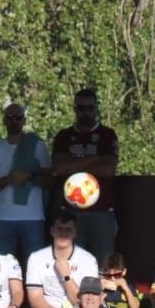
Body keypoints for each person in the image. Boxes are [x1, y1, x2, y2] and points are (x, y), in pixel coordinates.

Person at [52, 88, 120, 261]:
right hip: (70, 212)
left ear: (96, 109)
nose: (85, 113)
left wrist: (73, 163)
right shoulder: (64, 136)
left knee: (104, 263)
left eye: (89, 108)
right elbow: (60, 168)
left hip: (102, 211)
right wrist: (94, 159)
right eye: (81, 108)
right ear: (75, 109)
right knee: (71, 262)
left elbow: (108, 170)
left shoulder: (107, 135)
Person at [0, 102, 52, 264]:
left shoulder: (37, 145)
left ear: (24, 120)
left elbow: (50, 181)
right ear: (4, 120)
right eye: (10, 118)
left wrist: (28, 176)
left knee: (36, 267)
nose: (14, 121)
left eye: (18, 118)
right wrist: (8, 179)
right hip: (3, 219)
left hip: (33, 218)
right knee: (2, 267)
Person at [24, 212, 98, 308]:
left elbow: (86, 302)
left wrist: (66, 276)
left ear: (74, 233)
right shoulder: (36, 257)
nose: (63, 233)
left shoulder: (88, 260)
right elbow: (34, 298)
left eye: (68, 230)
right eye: (59, 229)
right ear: (52, 231)